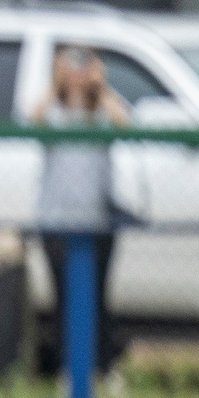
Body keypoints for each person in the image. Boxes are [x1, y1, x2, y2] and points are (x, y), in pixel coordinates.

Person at [30, 44, 134, 379]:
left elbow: (124, 124)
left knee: (97, 299)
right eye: (70, 61)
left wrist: (99, 84)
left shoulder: (101, 112)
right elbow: (34, 122)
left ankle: (104, 368)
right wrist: (56, 82)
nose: (77, 68)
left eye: (83, 61)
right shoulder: (53, 112)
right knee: (64, 300)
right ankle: (67, 369)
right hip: (56, 221)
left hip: (98, 221)